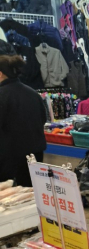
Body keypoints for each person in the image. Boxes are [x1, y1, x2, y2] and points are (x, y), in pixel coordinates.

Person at [0, 40, 46, 187]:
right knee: (33, 197)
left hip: (9, 160)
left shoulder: (1, 95)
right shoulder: (33, 94)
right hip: (35, 156)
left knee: (11, 204)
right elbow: (43, 120)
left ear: (0, 74)